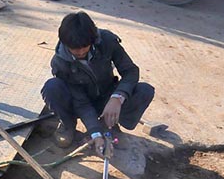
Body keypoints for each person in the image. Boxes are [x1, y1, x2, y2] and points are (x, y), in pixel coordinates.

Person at [41, 12, 155, 155]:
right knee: (52, 87)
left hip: (106, 96)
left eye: (84, 46)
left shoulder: (106, 41)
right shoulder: (60, 62)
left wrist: (117, 98)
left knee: (145, 90)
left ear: (93, 39)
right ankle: (67, 125)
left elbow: (130, 71)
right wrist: (95, 132)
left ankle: (110, 125)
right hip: (79, 103)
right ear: (64, 43)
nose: (80, 52)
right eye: (75, 48)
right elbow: (80, 102)